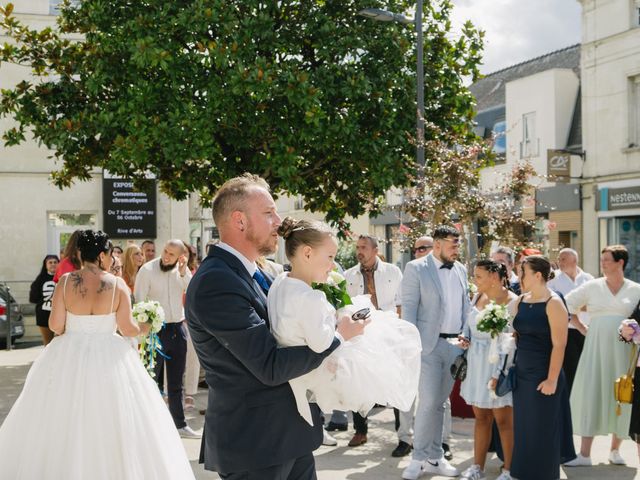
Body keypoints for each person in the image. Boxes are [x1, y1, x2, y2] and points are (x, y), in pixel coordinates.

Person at [185, 173, 366, 480]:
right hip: (254, 445)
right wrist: (337, 337)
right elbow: (270, 365)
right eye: (268, 213)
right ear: (239, 221)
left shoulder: (261, 273)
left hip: (289, 436)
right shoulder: (216, 281)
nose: (279, 221)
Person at [0, 230, 195, 479]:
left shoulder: (65, 282)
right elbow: (127, 329)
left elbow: (56, 325)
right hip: (110, 354)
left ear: (80, 253)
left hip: (68, 351)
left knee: (59, 415)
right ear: (103, 255)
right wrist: (146, 326)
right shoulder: (117, 285)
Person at [268, 217, 419, 434]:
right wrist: (345, 330)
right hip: (313, 377)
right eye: (330, 257)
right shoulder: (310, 297)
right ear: (307, 253)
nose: (332, 265)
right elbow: (322, 344)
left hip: (293, 376)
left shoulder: (280, 281)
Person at [401, 225, 470, 479]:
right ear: (438, 244)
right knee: (428, 402)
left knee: (440, 404)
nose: (456, 249)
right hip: (427, 346)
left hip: (455, 347)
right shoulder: (415, 268)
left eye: (458, 245)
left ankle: (435, 457)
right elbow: (408, 308)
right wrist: (411, 346)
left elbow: (465, 306)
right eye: (453, 244)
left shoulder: (461, 269)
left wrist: (467, 334)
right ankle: (418, 458)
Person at [564, 245, 640, 467]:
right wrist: (580, 327)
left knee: (622, 395)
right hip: (595, 348)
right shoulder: (592, 286)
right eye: (602, 259)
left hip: (625, 350)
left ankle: (615, 450)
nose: (603, 263)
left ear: (620, 263)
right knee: (592, 393)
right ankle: (585, 454)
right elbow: (565, 304)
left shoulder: (636, 289)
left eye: (607, 260)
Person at [509, 255, 575, 479]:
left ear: (537, 275)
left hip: (544, 375)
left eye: (523, 273)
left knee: (543, 432)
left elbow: (560, 345)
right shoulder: (520, 300)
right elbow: (516, 335)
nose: (519, 278)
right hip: (522, 375)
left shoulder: (554, 303)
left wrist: (552, 380)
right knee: (525, 430)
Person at [343, 234, 403, 448]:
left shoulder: (393, 272)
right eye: (357, 247)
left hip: (388, 334)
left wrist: (396, 333)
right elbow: (345, 307)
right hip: (361, 335)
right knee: (358, 382)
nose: (359, 251)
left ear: (376, 250)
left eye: (363, 247)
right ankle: (360, 431)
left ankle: (402, 433)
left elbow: (400, 303)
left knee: (394, 382)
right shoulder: (348, 275)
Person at [460, 260, 516, 480]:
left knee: (503, 420)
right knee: (481, 417)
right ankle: (477, 467)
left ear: (494, 276)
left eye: (479, 276)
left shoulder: (513, 301)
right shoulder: (476, 297)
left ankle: (508, 470)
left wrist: (498, 373)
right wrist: (465, 338)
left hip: (499, 364)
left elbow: (512, 340)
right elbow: (468, 326)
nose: (475, 281)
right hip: (476, 363)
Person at [134, 239, 197, 438]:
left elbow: (192, 289)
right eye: (165, 251)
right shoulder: (147, 270)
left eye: (171, 254)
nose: (166, 256)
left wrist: (183, 270)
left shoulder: (181, 271)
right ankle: (148, 427)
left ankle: (180, 424)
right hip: (155, 330)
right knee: (151, 380)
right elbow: (139, 299)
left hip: (178, 328)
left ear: (180, 257)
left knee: (177, 382)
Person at [547, 248, 593, 393]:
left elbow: (592, 303)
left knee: (587, 368)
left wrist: (575, 306)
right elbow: (558, 305)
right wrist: (579, 307)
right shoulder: (554, 279)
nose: (560, 262)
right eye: (559, 259)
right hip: (564, 331)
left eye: (564, 259)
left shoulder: (588, 279)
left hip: (586, 331)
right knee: (570, 368)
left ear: (575, 260)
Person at [29, 254, 59, 346]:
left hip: (59, 314)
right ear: (45, 265)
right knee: (48, 343)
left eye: (55, 262)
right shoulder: (40, 279)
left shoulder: (63, 277)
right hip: (43, 315)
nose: (53, 264)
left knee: (59, 342)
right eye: (50, 262)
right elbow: (33, 298)